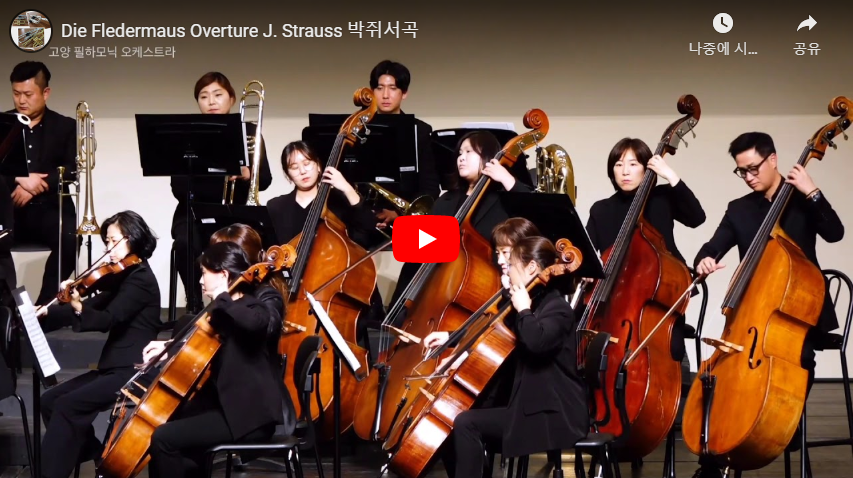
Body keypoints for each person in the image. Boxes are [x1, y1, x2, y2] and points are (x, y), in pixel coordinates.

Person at [694, 132, 844, 402]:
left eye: (753, 169)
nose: (748, 177)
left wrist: (812, 192)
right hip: (754, 310)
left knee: (798, 357)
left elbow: (835, 233)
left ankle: (785, 418)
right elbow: (711, 248)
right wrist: (703, 261)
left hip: (800, 309)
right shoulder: (738, 209)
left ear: (772, 159)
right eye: (742, 172)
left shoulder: (802, 199)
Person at [441, 236, 588, 477]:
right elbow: (488, 333)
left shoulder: (557, 309)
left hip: (552, 414)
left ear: (531, 267)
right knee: (449, 419)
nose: (507, 270)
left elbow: (536, 342)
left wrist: (524, 309)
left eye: (511, 265)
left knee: (467, 423)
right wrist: (452, 342)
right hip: (524, 404)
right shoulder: (529, 302)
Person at [34, 211, 160, 478]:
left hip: (133, 370)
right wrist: (46, 311)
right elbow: (91, 305)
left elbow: (107, 319)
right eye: (107, 242)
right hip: (115, 367)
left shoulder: (140, 280)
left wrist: (78, 305)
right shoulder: (123, 276)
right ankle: (95, 453)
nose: (108, 248)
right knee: (50, 400)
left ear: (132, 238)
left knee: (67, 405)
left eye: (113, 241)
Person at [146, 241, 283, 478]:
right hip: (226, 407)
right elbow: (203, 345)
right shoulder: (222, 311)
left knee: (164, 438)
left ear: (223, 275)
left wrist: (222, 297)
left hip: (249, 416)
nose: (200, 281)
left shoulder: (253, 306)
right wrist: (169, 348)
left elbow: (254, 324)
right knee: (167, 429)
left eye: (204, 273)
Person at [388, 130, 530, 309]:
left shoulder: (504, 200)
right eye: (460, 153)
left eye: (469, 152)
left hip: (479, 291)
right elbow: (423, 248)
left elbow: (532, 209)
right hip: (436, 288)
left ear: (488, 157)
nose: (461, 158)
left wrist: (506, 178)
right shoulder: (445, 200)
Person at [170, 71, 272, 313]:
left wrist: (247, 175)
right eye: (204, 96)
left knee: (258, 239)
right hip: (194, 213)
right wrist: (220, 175)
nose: (211, 101)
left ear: (232, 99)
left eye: (218, 95)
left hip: (235, 211)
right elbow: (178, 188)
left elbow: (265, 180)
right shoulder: (188, 134)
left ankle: (247, 302)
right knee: (184, 241)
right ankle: (194, 303)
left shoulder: (249, 131)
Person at [7, 61, 78, 305]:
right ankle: (8, 307)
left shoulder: (66, 126)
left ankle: (44, 307)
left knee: (70, 237)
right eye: (16, 93)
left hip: (50, 210)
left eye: (28, 94)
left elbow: (73, 169)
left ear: (45, 93)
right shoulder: (2, 125)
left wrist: (36, 187)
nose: (21, 100)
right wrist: (19, 178)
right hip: (9, 211)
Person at [585, 137, 706, 265]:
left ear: (646, 168)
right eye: (619, 165)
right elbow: (584, 252)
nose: (625, 172)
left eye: (633, 164)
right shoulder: (601, 209)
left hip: (668, 275)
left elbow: (697, 219)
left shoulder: (663, 196)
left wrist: (671, 175)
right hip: (618, 279)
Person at [368, 60, 440, 232]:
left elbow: (429, 187)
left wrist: (399, 213)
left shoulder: (420, 131)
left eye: (393, 88)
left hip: (407, 221)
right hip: (365, 218)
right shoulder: (359, 130)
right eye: (379, 88)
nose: (385, 95)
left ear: (404, 93)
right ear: (372, 91)